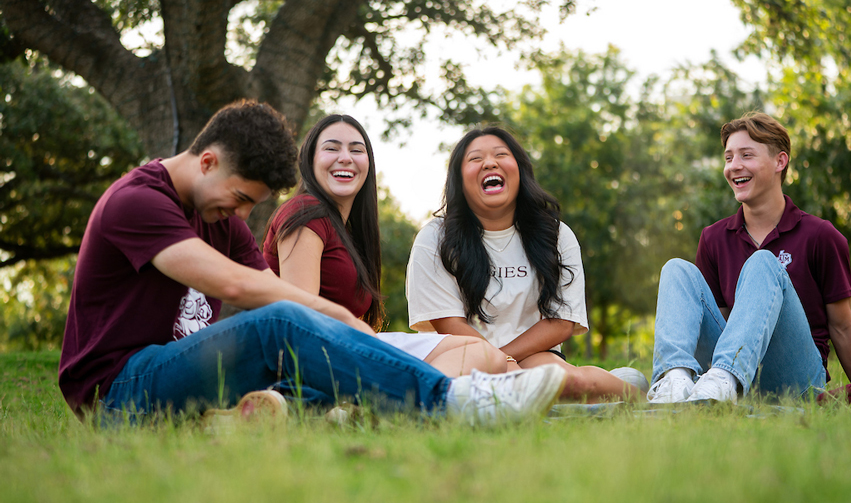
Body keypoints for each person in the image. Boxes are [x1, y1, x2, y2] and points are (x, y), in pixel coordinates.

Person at [57, 100, 567, 425]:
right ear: (207, 160)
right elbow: (237, 286)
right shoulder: (138, 201)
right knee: (282, 321)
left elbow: (273, 297)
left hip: (184, 378)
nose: (241, 215)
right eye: (238, 198)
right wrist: (343, 319)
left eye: (249, 204)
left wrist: (345, 332)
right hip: (117, 390)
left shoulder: (221, 216)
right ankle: (453, 402)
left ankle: (240, 423)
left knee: (308, 352)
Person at [406, 126, 645, 403]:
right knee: (497, 396)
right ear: (459, 179)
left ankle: (647, 399)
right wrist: (500, 364)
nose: (490, 163)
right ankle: (611, 380)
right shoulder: (434, 238)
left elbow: (561, 321)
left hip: (534, 354)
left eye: (501, 155)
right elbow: (447, 321)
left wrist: (506, 358)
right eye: (475, 159)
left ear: (520, 170)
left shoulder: (555, 234)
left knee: (572, 382)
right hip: (461, 355)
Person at [648, 112, 851, 404]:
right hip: (736, 377)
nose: (734, 166)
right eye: (728, 158)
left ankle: (724, 380)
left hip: (797, 378)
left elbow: (842, 325)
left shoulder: (820, 236)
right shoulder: (713, 238)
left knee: (764, 262)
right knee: (676, 269)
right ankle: (675, 382)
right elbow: (724, 325)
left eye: (746, 155)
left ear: (780, 161)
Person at [262, 114, 506, 377]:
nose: (345, 157)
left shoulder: (349, 232)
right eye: (331, 148)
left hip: (351, 346)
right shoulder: (305, 212)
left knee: (485, 353)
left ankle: (412, 398)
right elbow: (301, 318)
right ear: (309, 161)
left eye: (356, 150)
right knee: (485, 357)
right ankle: (412, 395)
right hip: (321, 354)